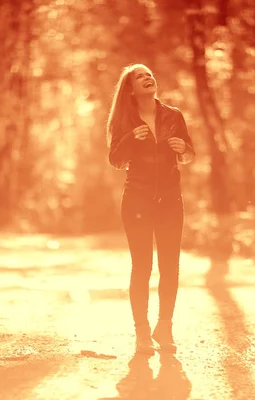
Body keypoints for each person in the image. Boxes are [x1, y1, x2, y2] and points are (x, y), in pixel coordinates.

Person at [106, 63, 195, 355]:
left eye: (149, 74)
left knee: (170, 267)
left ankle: (164, 327)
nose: (148, 77)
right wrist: (132, 137)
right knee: (142, 268)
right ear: (130, 88)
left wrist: (184, 149)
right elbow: (115, 160)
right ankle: (142, 333)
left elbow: (190, 153)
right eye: (139, 76)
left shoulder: (173, 115)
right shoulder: (124, 120)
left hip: (171, 200)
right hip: (137, 201)